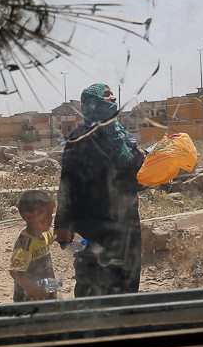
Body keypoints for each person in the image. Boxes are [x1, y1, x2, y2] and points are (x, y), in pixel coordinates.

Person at [54, 83, 146, 296]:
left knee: (126, 289)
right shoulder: (81, 138)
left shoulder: (123, 138)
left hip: (126, 228)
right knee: (93, 292)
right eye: (106, 95)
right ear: (93, 104)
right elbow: (68, 185)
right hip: (93, 228)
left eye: (113, 95)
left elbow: (137, 177)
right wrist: (64, 228)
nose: (113, 99)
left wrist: (158, 168)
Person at [8, 190, 60, 302]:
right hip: (28, 300)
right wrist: (34, 290)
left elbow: (58, 235)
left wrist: (73, 236)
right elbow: (16, 272)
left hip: (46, 294)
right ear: (29, 217)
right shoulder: (25, 244)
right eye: (45, 215)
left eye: (51, 213)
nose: (50, 218)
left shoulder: (44, 234)